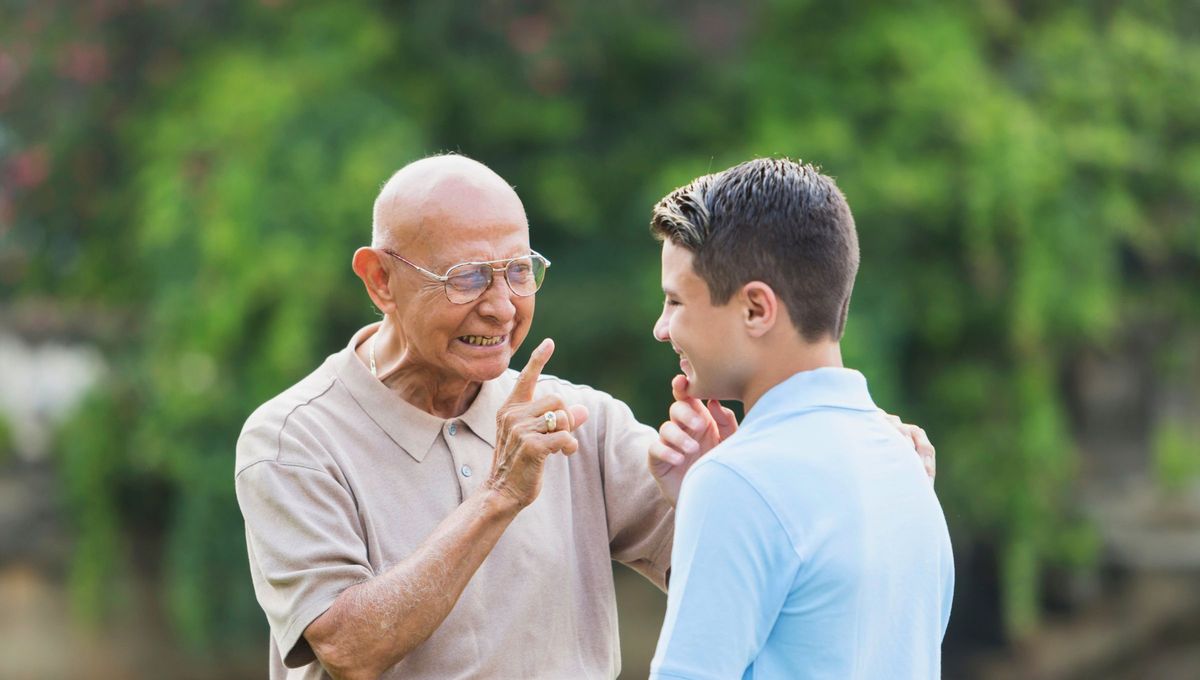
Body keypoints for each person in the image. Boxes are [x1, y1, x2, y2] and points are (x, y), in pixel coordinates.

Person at [234, 153, 936, 679]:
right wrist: (498, 499)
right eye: (468, 277)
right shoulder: (292, 440)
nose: (503, 305)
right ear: (380, 279)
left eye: (518, 271)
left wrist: (866, 478)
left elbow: (741, 563)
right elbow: (347, 647)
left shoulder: (582, 418)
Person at [646, 158, 954, 679]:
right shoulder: (907, 466)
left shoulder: (735, 484)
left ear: (756, 310)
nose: (662, 327)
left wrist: (719, 491)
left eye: (676, 301)